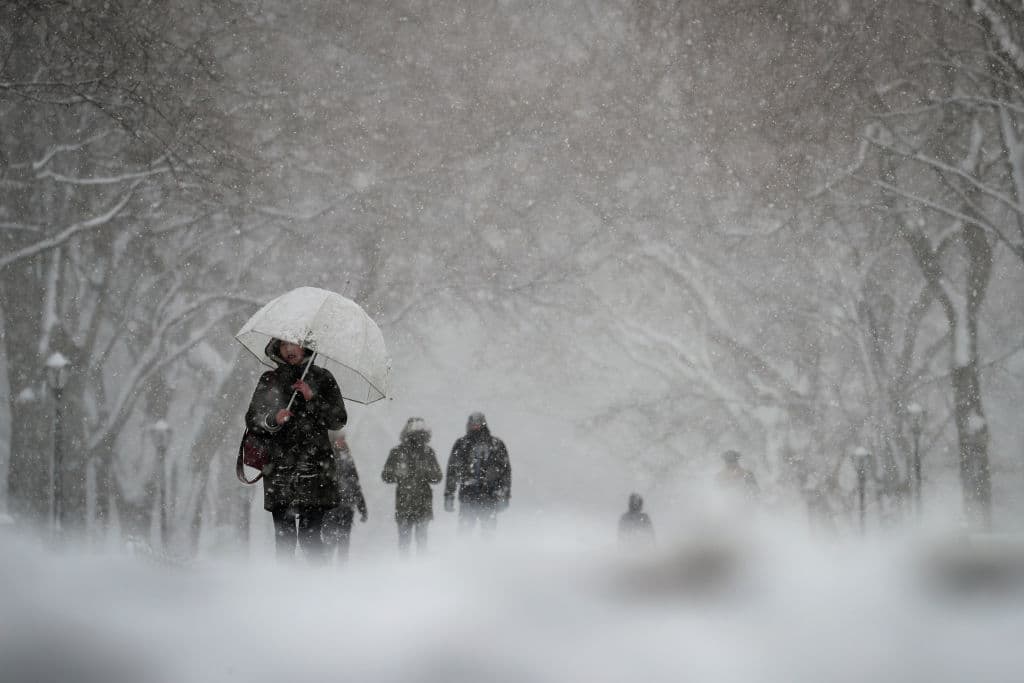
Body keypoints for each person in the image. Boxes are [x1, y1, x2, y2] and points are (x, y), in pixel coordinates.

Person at [245, 338, 347, 561]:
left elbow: (338, 420)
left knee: (310, 540)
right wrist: (273, 418)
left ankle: (318, 581)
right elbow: (252, 420)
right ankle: (285, 582)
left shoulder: (323, 377)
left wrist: (313, 398)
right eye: (283, 345)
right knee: (284, 540)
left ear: (305, 346)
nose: (289, 349)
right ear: (276, 349)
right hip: (280, 471)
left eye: (294, 344)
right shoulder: (270, 379)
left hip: (316, 470)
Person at [381, 417, 443, 555]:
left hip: (420, 505)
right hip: (406, 505)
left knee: (419, 542)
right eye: (415, 433)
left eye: (420, 433)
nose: (417, 437)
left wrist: (426, 472)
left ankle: (419, 567)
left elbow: (437, 477)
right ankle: (407, 568)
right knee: (407, 543)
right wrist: (398, 474)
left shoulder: (427, 452)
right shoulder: (397, 452)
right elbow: (386, 475)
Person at [443, 412, 511, 536]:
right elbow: (452, 470)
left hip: (489, 495)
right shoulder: (462, 444)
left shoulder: (496, 444)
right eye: (473, 424)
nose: (475, 426)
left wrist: (504, 494)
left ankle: (487, 548)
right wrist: (449, 494)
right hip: (468, 495)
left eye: (478, 424)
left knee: (488, 534)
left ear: (483, 425)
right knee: (465, 533)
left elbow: (505, 472)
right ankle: (465, 548)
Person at [322, 430, 368, 563]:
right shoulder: (325, 458)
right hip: (330, 508)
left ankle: (342, 572)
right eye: (340, 439)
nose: (343, 441)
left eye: (343, 438)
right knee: (329, 543)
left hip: (346, 508)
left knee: (343, 542)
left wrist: (362, 507)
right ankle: (325, 570)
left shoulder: (347, 457)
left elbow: (355, 484)